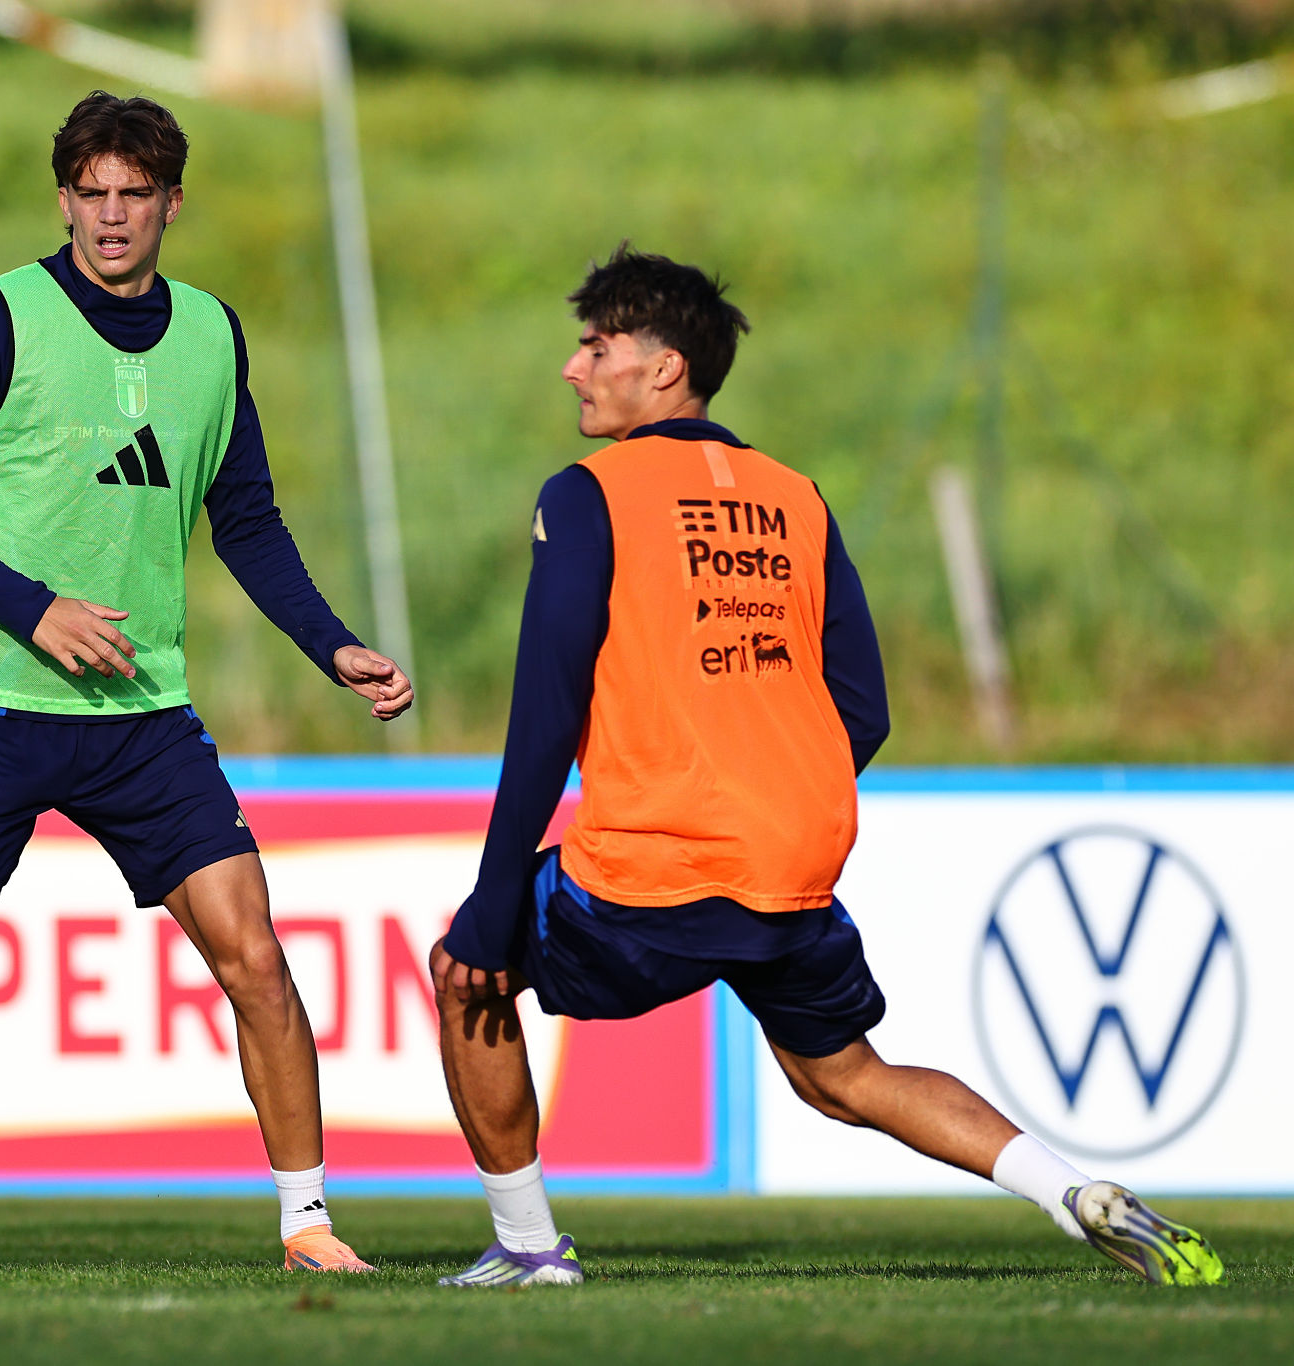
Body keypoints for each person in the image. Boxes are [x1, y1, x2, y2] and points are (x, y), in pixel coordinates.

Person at [427, 244, 1221, 1289]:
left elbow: (545, 712)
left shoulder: (588, 493)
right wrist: (772, 783)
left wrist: (494, 897)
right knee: (843, 1074)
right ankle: (1072, 1190)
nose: (573, 367)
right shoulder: (791, 495)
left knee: (462, 971)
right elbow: (864, 706)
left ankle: (529, 1250)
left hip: (655, 857)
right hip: (791, 855)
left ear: (662, 368)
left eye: (594, 345)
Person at [0, 92, 411, 1276]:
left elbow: (242, 516)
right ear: (62, 200)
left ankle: (308, 1224)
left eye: (132, 195)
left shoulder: (211, 332)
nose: (109, 216)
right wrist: (32, 611)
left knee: (254, 952)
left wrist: (329, 643)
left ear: (170, 204)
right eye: (89, 193)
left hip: (141, 714)